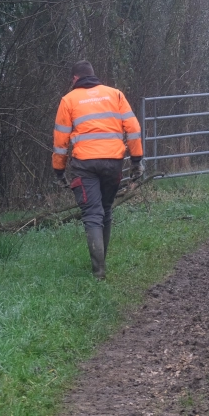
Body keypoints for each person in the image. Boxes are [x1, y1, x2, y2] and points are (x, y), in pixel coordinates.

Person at [52, 60, 143, 279]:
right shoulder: (115, 95)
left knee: (93, 214)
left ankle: (98, 271)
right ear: (93, 75)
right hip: (113, 162)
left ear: (75, 78)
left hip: (85, 165)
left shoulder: (68, 100)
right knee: (106, 209)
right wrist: (136, 160)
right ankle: (102, 262)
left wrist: (58, 170)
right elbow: (133, 127)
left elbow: (60, 140)